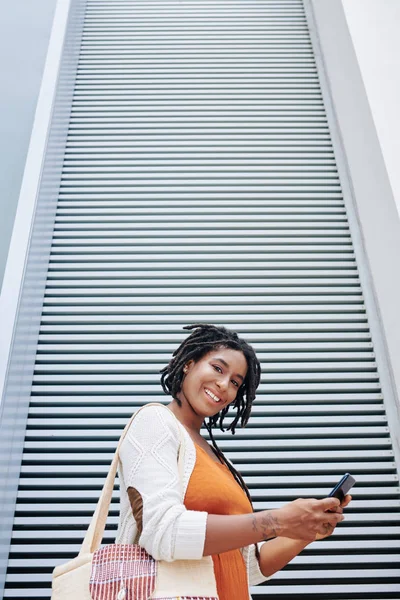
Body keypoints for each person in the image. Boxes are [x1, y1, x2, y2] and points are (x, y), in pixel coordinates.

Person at [116, 324, 351, 599]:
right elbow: (163, 531)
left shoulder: (215, 458)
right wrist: (279, 521)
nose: (224, 385)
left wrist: (302, 530)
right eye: (218, 368)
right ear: (188, 365)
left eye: (236, 382)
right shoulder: (155, 422)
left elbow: (246, 566)